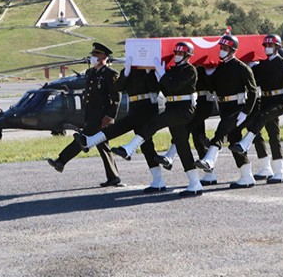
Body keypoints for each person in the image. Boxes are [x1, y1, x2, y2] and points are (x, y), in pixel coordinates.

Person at [112, 42, 202, 196]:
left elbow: (174, 86)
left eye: (181, 54)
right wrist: (157, 74)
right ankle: (195, 183)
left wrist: (162, 74)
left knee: (154, 122)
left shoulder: (190, 70)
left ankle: (129, 148)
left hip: (183, 109)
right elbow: (166, 91)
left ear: (188, 56)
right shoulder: (173, 70)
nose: (178, 56)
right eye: (177, 53)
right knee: (181, 145)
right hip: (172, 107)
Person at [73, 53, 165, 192]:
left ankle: (158, 180)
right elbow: (118, 87)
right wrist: (126, 73)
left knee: (142, 142)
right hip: (134, 107)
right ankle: (90, 141)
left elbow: (157, 88)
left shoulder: (151, 71)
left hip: (147, 107)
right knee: (139, 141)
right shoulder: (129, 70)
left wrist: (151, 71)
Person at [46, 42, 123, 187]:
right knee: (102, 145)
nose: (93, 57)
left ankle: (61, 161)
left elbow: (115, 98)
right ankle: (114, 177)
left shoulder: (110, 75)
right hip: (91, 116)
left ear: (103, 57)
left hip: (102, 118)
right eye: (93, 54)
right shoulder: (90, 73)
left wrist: (110, 116)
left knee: (83, 139)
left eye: (96, 54)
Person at [229, 34, 283, 183]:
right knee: (270, 134)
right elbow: (253, 80)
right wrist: (250, 66)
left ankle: (278, 170)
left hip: (279, 102)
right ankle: (268, 168)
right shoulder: (262, 65)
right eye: (265, 46)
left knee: (262, 119)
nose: (267, 48)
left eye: (270, 46)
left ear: (277, 47)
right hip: (265, 100)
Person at [195, 34, 259, 189]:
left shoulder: (242, 68)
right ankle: (247, 176)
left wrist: (246, 111)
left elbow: (253, 92)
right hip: (224, 108)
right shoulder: (220, 67)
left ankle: (210, 160)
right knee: (234, 140)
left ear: (232, 50)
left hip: (238, 108)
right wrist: (209, 74)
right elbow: (212, 88)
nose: (221, 51)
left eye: (225, 48)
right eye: (221, 48)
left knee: (221, 131)